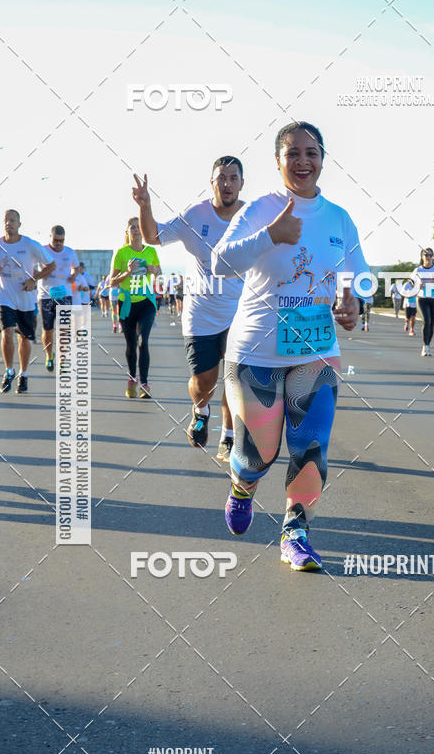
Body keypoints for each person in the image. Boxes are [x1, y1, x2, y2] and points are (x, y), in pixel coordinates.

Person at [212, 121, 365, 572]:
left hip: (316, 352)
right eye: (292, 153)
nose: (303, 161)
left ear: (323, 158)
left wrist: (353, 300)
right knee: (258, 453)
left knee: (311, 446)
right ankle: (243, 484)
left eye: (311, 152)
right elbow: (220, 262)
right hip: (255, 352)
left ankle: (295, 534)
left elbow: (357, 272)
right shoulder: (261, 209)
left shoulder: (338, 217)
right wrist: (270, 236)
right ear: (278, 161)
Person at [133, 156, 246, 462]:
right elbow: (152, 236)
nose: (227, 183)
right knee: (205, 382)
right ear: (212, 182)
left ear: (241, 183)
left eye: (233, 178)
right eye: (221, 177)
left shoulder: (251, 217)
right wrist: (145, 205)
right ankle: (200, 410)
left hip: (241, 314)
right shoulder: (195, 215)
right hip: (201, 314)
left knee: (235, 379)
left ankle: (229, 436)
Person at [0, 209, 55, 394]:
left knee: (24, 338)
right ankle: (9, 371)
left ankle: (23, 374)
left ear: (19, 224)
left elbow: (51, 265)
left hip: (25, 298)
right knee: (7, 333)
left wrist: (34, 279)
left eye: (13, 220)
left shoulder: (30, 245)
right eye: (6, 220)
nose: (9, 223)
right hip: (4, 297)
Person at [109, 217, 161, 399]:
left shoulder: (151, 251)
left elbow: (158, 270)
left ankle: (144, 383)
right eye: (132, 227)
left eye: (139, 226)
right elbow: (111, 282)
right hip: (127, 303)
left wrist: (154, 270)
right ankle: (132, 378)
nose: (136, 230)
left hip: (146, 302)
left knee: (143, 341)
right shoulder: (121, 253)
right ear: (127, 231)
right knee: (131, 343)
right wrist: (128, 272)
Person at [37, 225, 79, 372]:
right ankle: (49, 355)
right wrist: (42, 273)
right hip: (46, 295)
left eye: (61, 240)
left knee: (64, 330)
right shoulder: (42, 250)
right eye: (56, 240)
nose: (59, 243)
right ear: (50, 237)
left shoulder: (70, 252)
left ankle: (63, 360)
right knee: (48, 330)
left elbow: (76, 267)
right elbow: (32, 268)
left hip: (65, 295)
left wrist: (74, 274)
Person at [413, 248, 434, 356]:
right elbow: (410, 283)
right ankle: (424, 345)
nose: (429, 257)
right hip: (422, 298)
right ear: (422, 257)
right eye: (426, 255)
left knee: (431, 324)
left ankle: (427, 346)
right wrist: (418, 284)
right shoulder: (418, 270)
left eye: (431, 255)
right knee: (426, 321)